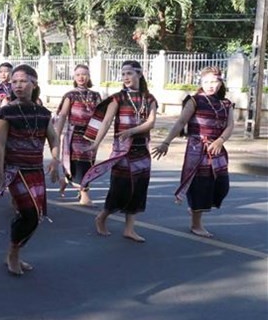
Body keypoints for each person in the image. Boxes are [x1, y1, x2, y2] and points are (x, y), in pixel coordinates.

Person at [0, 64, 59, 276]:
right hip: (15, 170)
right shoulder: (6, 112)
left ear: (34, 83)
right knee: (29, 213)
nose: (17, 85)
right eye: (14, 82)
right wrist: (0, 173)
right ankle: (12, 253)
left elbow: (53, 139)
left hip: (35, 169)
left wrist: (56, 161)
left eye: (22, 81)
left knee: (35, 215)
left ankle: (16, 251)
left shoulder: (43, 112)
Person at [152, 66, 234, 238]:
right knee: (200, 185)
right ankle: (196, 224)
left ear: (220, 81)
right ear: (201, 82)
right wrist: (166, 142)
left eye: (214, 81)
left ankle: (195, 207)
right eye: (206, 82)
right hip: (197, 148)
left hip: (217, 149)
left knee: (222, 185)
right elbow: (181, 122)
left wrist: (220, 140)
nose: (210, 85)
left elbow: (230, 126)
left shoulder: (226, 104)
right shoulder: (194, 100)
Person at [82, 60, 157, 243]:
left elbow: (151, 123)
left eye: (129, 73)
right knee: (119, 188)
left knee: (139, 189)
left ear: (139, 74)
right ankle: (102, 217)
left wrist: (131, 131)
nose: (125, 77)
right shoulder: (118, 98)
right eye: (123, 74)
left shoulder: (149, 98)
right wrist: (95, 144)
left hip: (141, 151)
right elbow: (106, 122)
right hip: (121, 152)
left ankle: (129, 229)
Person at [53, 65, 101, 205]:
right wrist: (56, 135)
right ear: (74, 77)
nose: (81, 77)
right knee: (79, 164)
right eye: (78, 74)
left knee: (89, 163)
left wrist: (98, 137)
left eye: (84, 74)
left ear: (89, 76)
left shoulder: (95, 95)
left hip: (90, 135)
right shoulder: (70, 95)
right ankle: (85, 195)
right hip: (74, 136)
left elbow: (100, 117)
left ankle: (66, 180)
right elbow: (62, 116)